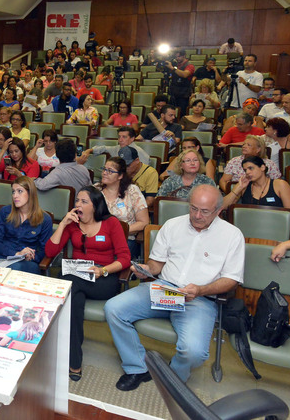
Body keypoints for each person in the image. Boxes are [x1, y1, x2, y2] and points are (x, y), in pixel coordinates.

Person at [105, 185, 244, 387]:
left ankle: (174, 374)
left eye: (204, 211)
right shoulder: (173, 225)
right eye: (193, 208)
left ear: (218, 211)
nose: (197, 215)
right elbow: (156, 265)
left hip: (199, 299)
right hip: (164, 288)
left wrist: (201, 290)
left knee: (194, 352)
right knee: (113, 308)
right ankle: (137, 367)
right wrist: (147, 269)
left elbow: (231, 279)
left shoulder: (232, 235)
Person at [46, 186, 130, 381]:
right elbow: (50, 252)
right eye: (77, 201)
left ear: (95, 205)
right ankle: (74, 359)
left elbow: (125, 258)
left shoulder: (111, 223)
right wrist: (63, 224)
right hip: (77, 277)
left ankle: (62, 354)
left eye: (84, 202)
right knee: (73, 297)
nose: (78, 205)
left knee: (67, 285)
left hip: (104, 278)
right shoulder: (73, 224)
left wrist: (103, 270)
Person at [0, 176, 54, 273]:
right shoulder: (5, 212)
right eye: (13, 192)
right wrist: (17, 254)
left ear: (30, 193)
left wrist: (30, 256)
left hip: (28, 262)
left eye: (19, 191)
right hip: (4, 256)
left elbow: (44, 251)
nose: (15, 196)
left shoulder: (45, 219)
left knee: (16, 268)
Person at [96, 157, 149, 258]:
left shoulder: (132, 191)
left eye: (110, 171)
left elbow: (144, 222)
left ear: (120, 176)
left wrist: (118, 231)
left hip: (125, 238)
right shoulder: (96, 190)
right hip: (98, 237)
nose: (104, 173)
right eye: (104, 169)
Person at [222, 155, 290, 210]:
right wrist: (238, 188)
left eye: (251, 168)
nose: (247, 172)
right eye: (245, 170)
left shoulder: (280, 185)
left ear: (262, 167)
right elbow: (223, 206)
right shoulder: (244, 186)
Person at [80, 126, 151, 166]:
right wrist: (89, 150)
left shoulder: (139, 152)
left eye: (124, 137)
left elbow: (143, 172)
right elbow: (103, 148)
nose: (120, 140)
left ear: (132, 138)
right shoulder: (116, 148)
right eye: (119, 137)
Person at [165, 51, 195, 115]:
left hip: (183, 95)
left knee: (181, 113)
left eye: (179, 56)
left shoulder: (189, 65)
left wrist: (172, 68)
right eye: (176, 57)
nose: (177, 58)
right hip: (174, 93)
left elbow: (185, 74)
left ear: (184, 56)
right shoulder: (176, 65)